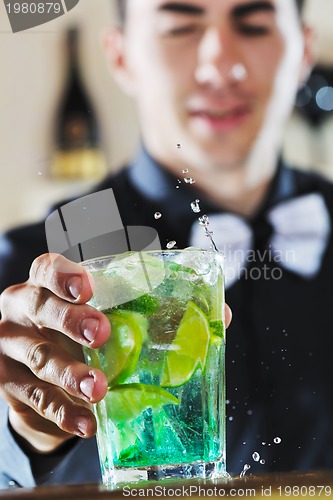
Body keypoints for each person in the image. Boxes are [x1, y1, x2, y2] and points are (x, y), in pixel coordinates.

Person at [1, 0, 333, 489]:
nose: (221, 65)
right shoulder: (34, 263)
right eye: (180, 26)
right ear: (121, 57)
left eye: (254, 25)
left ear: (304, 50)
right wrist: (26, 430)